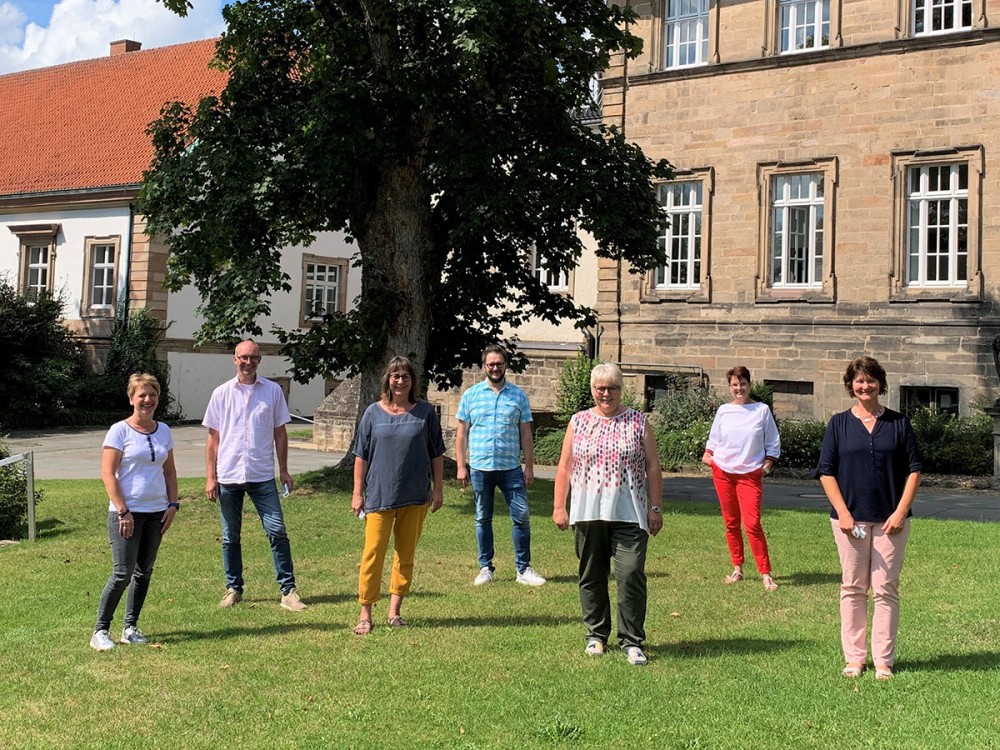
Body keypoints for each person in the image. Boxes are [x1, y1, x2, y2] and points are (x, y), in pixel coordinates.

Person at [815, 356, 922, 681]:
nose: (865, 386)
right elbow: (826, 471)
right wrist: (844, 513)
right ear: (851, 385)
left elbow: (915, 470)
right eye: (859, 381)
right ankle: (855, 659)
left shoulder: (898, 423)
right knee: (853, 587)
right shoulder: (838, 424)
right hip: (850, 523)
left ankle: (884, 661)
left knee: (885, 589)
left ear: (880, 384)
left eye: (871, 380)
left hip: (891, 521)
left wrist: (901, 512)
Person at [552, 363, 663, 666]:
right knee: (592, 574)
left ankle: (632, 640)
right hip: (588, 512)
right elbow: (564, 466)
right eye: (600, 388)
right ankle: (596, 635)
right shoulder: (579, 421)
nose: (606, 393)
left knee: (630, 574)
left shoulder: (638, 422)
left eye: (612, 387)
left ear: (620, 390)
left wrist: (655, 508)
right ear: (593, 390)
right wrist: (559, 506)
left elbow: (653, 466)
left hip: (630, 511)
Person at [203, 339, 306, 612]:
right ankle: (233, 589)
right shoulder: (221, 393)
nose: (248, 362)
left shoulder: (272, 392)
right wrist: (210, 477)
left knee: (277, 531)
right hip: (228, 475)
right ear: (234, 360)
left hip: (262, 476)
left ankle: (288, 591)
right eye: (243, 357)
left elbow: (280, 433)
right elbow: (213, 439)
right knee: (230, 536)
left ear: (259, 360)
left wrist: (283, 470)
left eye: (254, 358)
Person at [351, 356, 445, 634]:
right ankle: (365, 613)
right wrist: (358, 493)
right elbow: (360, 455)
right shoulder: (372, 413)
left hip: (415, 495)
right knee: (372, 554)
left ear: (413, 381)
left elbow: (436, 453)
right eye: (395, 376)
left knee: (405, 556)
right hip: (380, 495)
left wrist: (438, 488)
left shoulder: (425, 412)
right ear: (387, 381)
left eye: (405, 376)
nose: (400, 381)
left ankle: (394, 612)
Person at [90, 373, 179, 651]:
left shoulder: (164, 430)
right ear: (131, 399)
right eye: (142, 394)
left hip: (156, 512)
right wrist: (123, 511)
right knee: (122, 573)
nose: (147, 400)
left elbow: (169, 470)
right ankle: (100, 631)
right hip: (126, 513)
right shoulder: (119, 431)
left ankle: (130, 627)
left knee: (144, 572)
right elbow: (107, 473)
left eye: (152, 394)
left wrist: (173, 504)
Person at [456, 344, 545, 587]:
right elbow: (462, 433)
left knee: (521, 517)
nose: (495, 368)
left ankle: (523, 569)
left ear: (506, 365)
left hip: (510, 468)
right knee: (482, 517)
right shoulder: (471, 395)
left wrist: (529, 466)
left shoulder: (518, 396)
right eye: (491, 364)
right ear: (484, 366)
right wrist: (461, 466)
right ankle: (485, 567)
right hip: (480, 467)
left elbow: (526, 433)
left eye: (499, 363)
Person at [701, 366, 781, 591]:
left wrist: (765, 467)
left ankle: (765, 573)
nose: (739, 388)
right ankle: (737, 568)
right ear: (729, 387)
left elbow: (773, 442)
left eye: (743, 383)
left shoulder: (761, 410)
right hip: (723, 474)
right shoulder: (724, 411)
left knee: (753, 524)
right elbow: (713, 440)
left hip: (750, 475)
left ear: (749, 384)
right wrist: (710, 457)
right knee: (731, 523)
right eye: (735, 385)